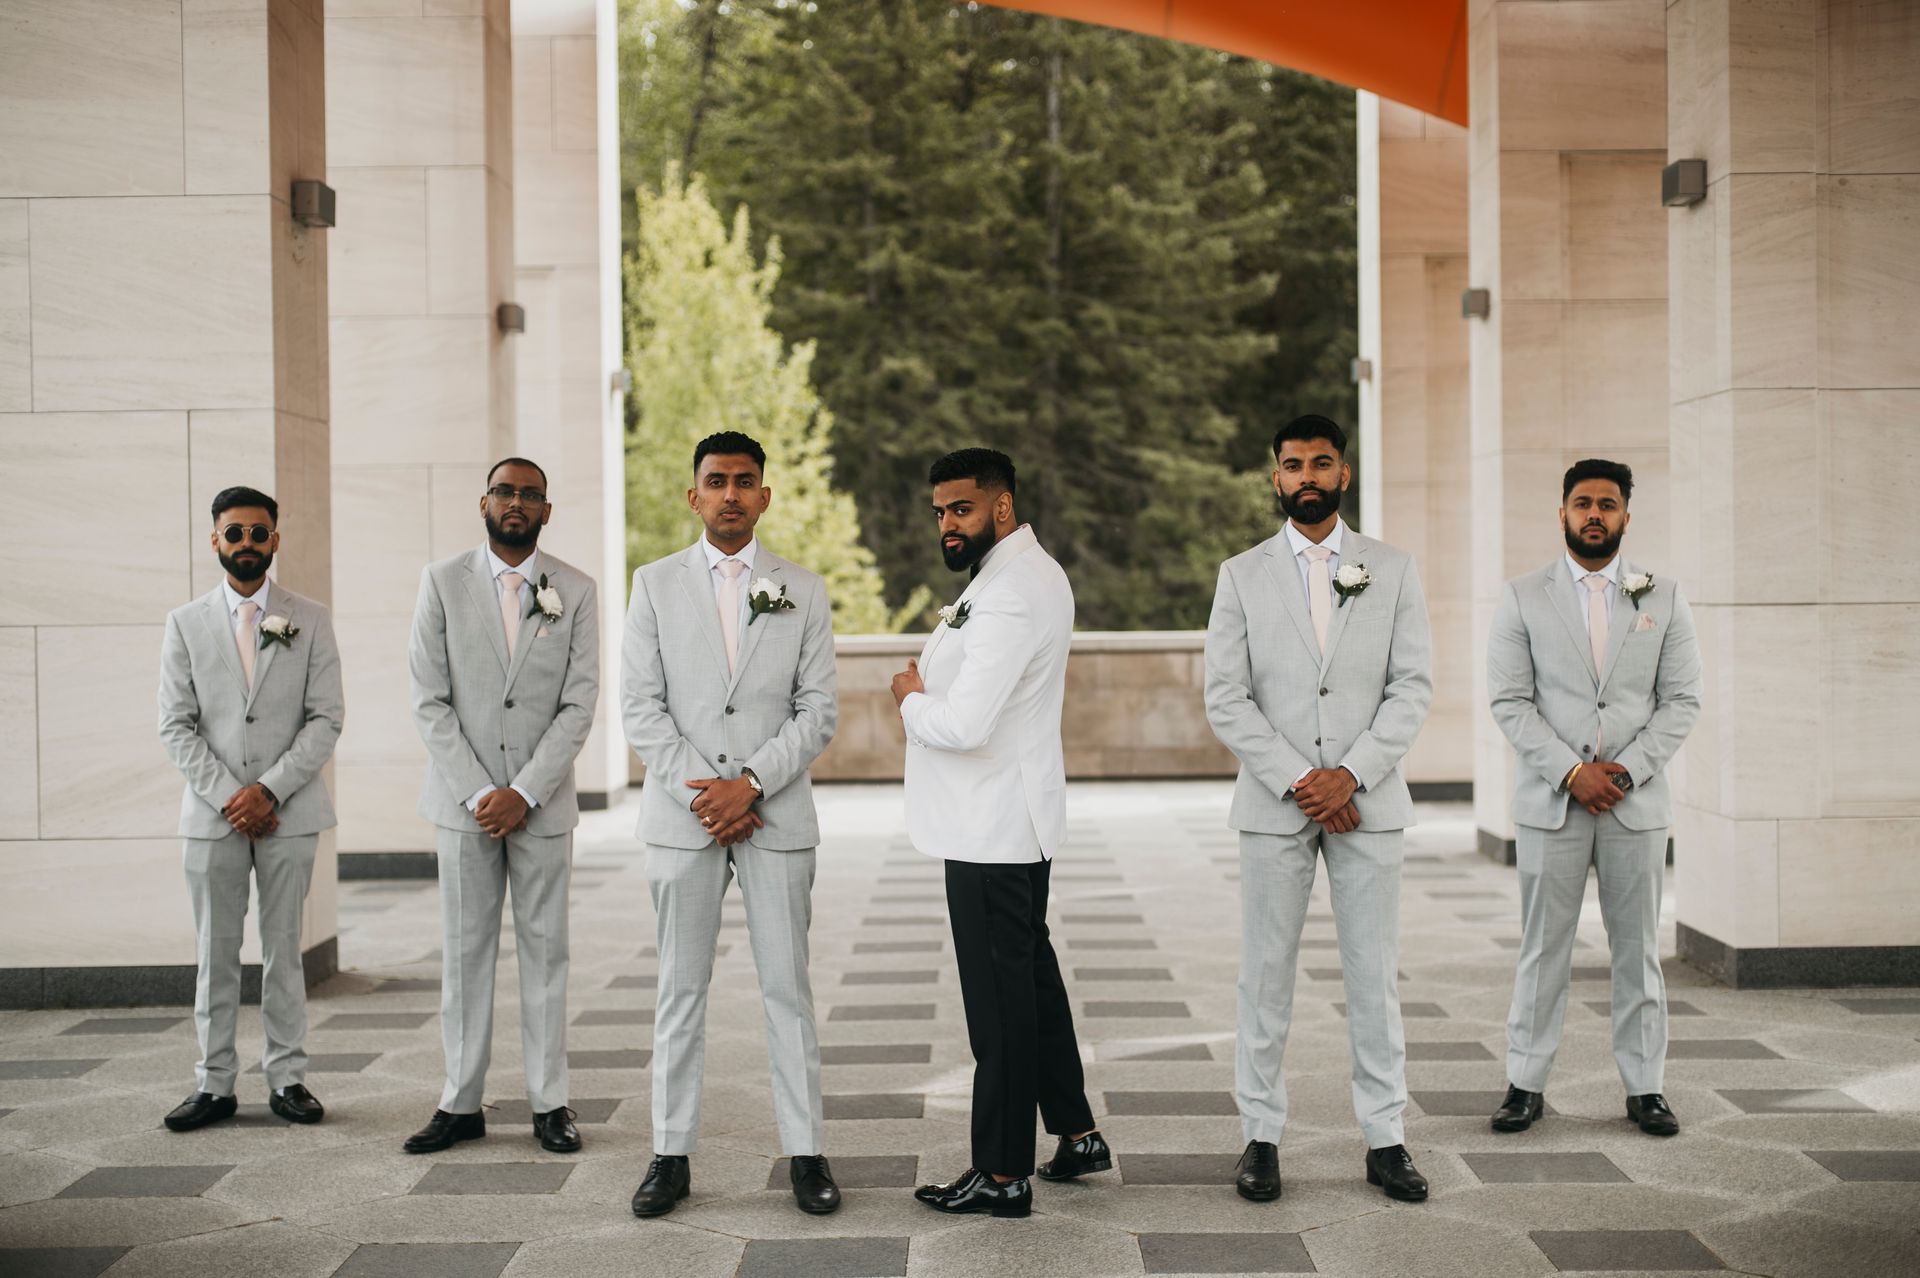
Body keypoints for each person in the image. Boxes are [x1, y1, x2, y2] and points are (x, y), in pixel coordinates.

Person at [1203, 414, 1434, 1203]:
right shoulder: (1241, 574)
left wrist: (1354, 775)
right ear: (1276, 478)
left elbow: (1413, 688)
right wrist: (1304, 777)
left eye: (1322, 463)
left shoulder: (1393, 569)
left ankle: (1387, 1138)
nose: (1307, 475)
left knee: (1374, 976)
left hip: (1369, 802)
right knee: (1265, 977)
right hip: (1276, 804)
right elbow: (1225, 697)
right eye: (1293, 464)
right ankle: (1260, 1137)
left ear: (1344, 472)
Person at [622, 431, 842, 1218]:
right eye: (716, 481)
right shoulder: (652, 585)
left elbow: (819, 711)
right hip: (684, 823)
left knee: (788, 991)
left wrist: (748, 785)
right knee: (680, 992)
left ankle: (807, 1153)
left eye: (745, 481)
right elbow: (640, 708)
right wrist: (705, 797)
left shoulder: (803, 589)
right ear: (693, 496)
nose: (731, 495)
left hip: (775, 816)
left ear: (765, 495)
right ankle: (670, 1154)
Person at [892, 448, 1112, 1219]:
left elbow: (963, 723)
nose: (948, 525)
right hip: (1011, 820)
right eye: (940, 512)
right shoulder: (1016, 575)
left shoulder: (1014, 590)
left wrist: (909, 699)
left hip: (992, 830)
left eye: (962, 509)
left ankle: (1002, 1171)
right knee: (1032, 986)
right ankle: (1077, 1133)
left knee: (1000, 1011)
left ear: (1003, 507)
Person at [1486, 458, 1702, 1138]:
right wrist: (1571, 773)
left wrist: (1627, 771)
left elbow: (1682, 700)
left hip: (1634, 805)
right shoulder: (1522, 595)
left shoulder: (1662, 595)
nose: (1594, 514)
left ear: (1626, 516)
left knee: (1636, 950)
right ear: (1562, 512)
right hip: (1552, 802)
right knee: (1543, 947)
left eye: (1607, 504)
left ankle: (1646, 1088)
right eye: (1583, 502)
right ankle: (1525, 1083)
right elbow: (1510, 701)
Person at [402, 457, 599, 1156]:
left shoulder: (575, 589)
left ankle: (551, 1102)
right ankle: (460, 1101)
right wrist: (484, 792)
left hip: (542, 807)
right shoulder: (440, 583)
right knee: (464, 953)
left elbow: (580, 703)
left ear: (547, 511)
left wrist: (526, 791)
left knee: (547, 953)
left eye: (530, 495)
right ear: (483, 502)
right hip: (464, 807)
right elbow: (428, 699)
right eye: (505, 491)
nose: (516, 503)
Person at [157, 485, 343, 1132]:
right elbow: (175, 726)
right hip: (212, 819)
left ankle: (289, 1078)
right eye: (233, 533)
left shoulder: (309, 618)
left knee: (285, 950)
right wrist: (229, 798)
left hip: (289, 813)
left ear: (275, 539)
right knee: (216, 951)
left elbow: (326, 718)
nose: (246, 544)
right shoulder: (184, 623)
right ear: (215, 540)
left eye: (257, 533)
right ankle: (213, 1084)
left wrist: (270, 790)